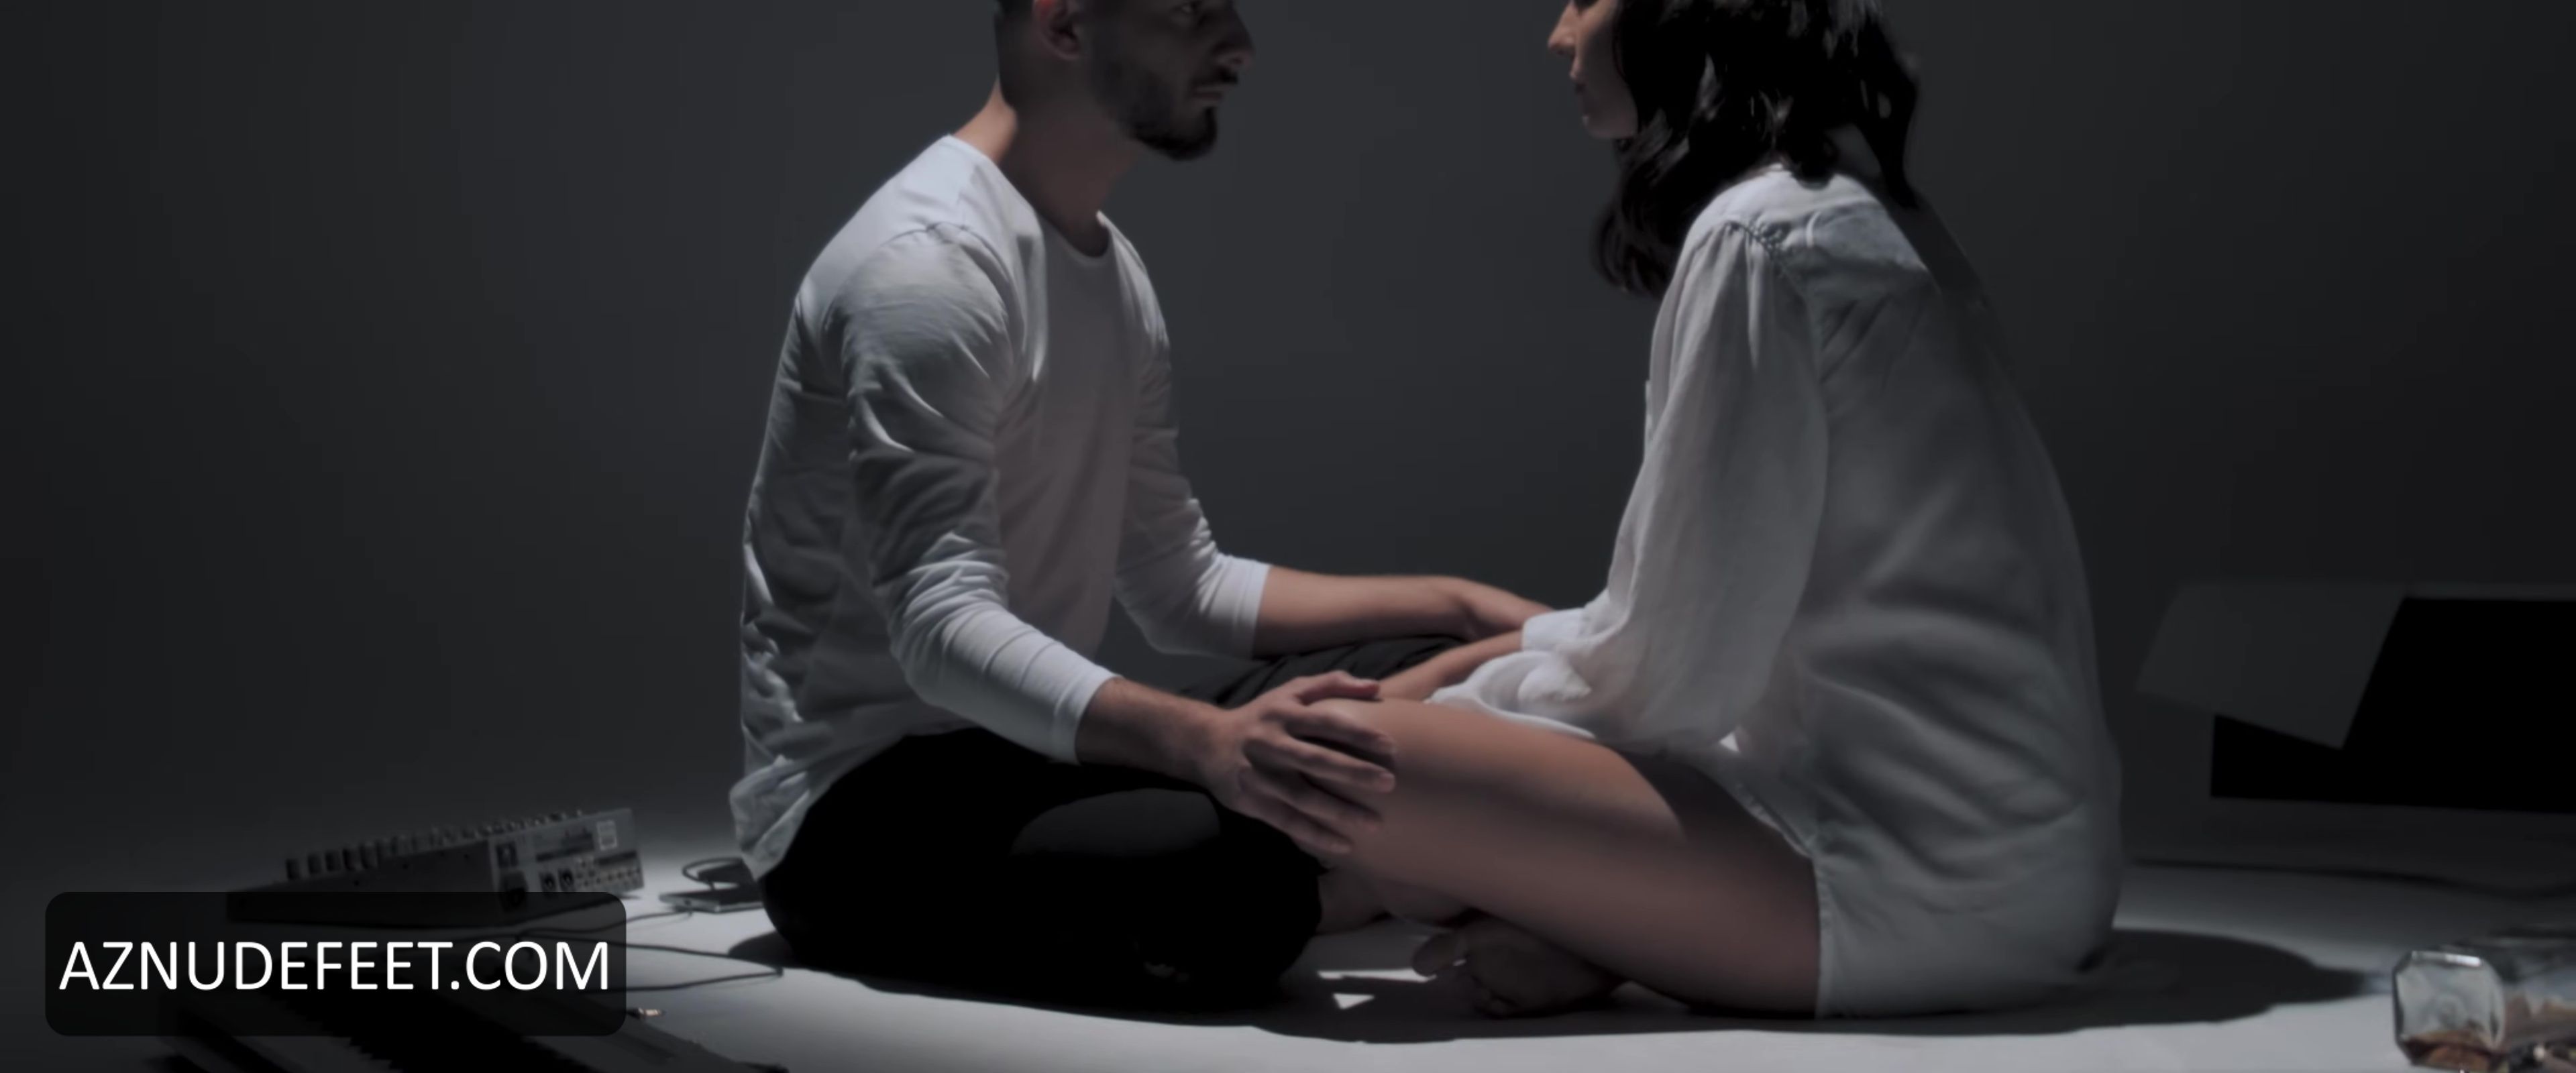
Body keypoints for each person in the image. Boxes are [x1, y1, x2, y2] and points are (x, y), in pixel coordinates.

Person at [1301, 0, 2125, 1020]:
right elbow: (1697, 637)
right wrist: (1479, 669)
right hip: (2039, 879)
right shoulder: (1868, 213)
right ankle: (1584, 930)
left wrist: (1445, 708)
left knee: (1343, 761)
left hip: (1908, 890)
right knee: (1409, 757)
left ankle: (1569, 920)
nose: (1557, 35)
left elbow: (1669, 678)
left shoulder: (1760, 233)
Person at [730, 0, 1548, 1010]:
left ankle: (1367, 854)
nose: (1239, 47)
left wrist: (1460, 608)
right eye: (1193, 12)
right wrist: (1205, 743)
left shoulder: (1112, 272)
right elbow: (939, 633)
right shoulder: (927, 266)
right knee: (1225, 890)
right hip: (861, 812)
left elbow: (1179, 586)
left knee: (1452, 668)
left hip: (1031, 749)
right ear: (1064, 24)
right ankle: (1396, 869)